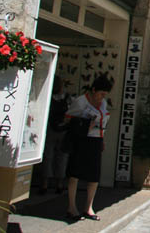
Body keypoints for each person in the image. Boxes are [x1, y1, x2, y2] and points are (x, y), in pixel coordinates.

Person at [65, 76, 113, 222]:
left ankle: (89, 207)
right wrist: (85, 123)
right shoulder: (81, 101)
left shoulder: (103, 103)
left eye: (104, 94)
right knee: (75, 173)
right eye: (100, 93)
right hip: (81, 140)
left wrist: (102, 139)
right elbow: (67, 119)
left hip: (96, 140)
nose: (102, 97)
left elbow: (103, 122)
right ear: (93, 90)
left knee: (94, 175)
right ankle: (71, 207)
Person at [39, 76, 70, 194]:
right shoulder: (67, 98)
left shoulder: (47, 96)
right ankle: (59, 184)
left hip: (50, 128)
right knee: (62, 156)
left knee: (48, 155)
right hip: (63, 129)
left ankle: (45, 184)